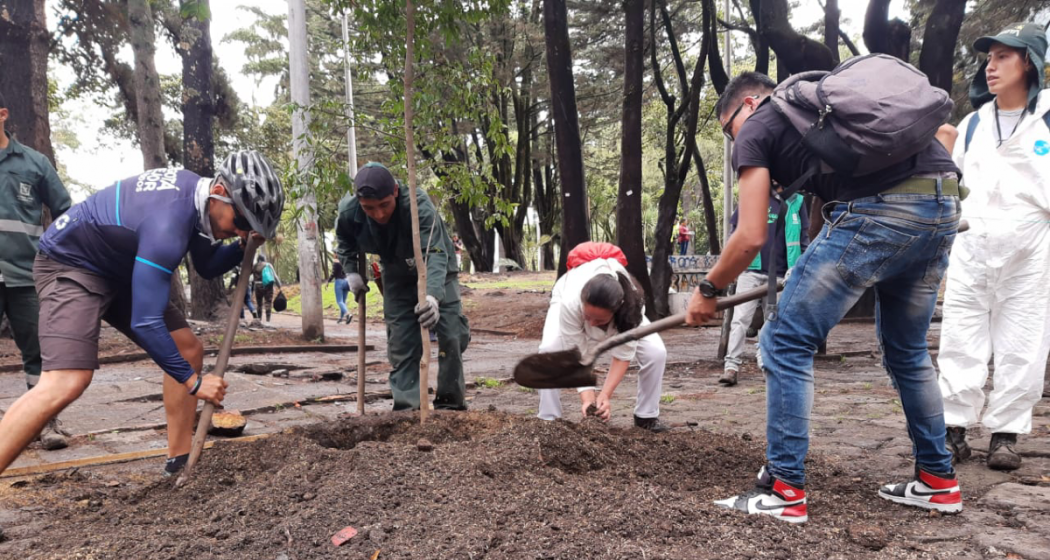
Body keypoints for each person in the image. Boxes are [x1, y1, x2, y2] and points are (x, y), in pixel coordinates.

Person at [687, 72, 962, 524]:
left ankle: (783, 489)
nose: (734, 140)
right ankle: (937, 481)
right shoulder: (825, 117)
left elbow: (750, 235)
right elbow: (945, 134)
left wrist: (708, 289)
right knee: (909, 351)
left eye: (727, 128)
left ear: (749, 105)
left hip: (879, 212)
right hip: (942, 204)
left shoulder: (758, 124)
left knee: (784, 340)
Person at [0, 150, 284, 478]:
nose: (240, 231)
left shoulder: (197, 201)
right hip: (71, 263)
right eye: (242, 222)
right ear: (220, 194)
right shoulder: (168, 223)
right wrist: (195, 383)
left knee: (186, 348)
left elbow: (206, 267)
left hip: (119, 268)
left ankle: (180, 464)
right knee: (66, 380)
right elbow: (146, 323)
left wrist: (241, 245)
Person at [938, 23, 1050, 472]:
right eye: (989, 57)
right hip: (971, 245)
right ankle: (953, 428)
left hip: (1031, 249)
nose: (991, 66)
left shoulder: (1047, 119)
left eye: (1004, 56)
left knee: (1022, 341)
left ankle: (1006, 434)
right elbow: (952, 183)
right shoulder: (972, 124)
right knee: (961, 337)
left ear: (1030, 63)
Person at [335, 162, 470, 411]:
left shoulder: (419, 207)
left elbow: (437, 252)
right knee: (401, 342)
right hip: (396, 274)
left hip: (439, 273)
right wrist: (352, 271)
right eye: (369, 208)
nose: (378, 214)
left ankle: (450, 405)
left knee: (451, 336)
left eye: (384, 205)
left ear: (395, 191)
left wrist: (432, 297)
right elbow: (344, 240)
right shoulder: (348, 211)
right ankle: (408, 409)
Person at [0, 91, 73, 450]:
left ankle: (45, 423)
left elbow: (66, 213)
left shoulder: (33, 163)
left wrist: (54, 259)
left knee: (39, 353)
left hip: (25, 275)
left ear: (3, 114)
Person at [536, 242, 668, 432]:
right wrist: (589, 399)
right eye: (587, 317)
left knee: (656, 352)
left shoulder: (631, 310)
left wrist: (605, 395)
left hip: (621, 311)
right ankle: (549, 419)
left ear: (616, 311)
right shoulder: (571, 302)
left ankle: (646, 416)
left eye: (598, 319)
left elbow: (622, 356)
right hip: (567, 297)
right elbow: (577, 354)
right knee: (548, 350)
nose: (590, 324)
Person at [720, 193, 809, 387]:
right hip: (751, 270)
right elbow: (735, 233)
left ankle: (766, 365)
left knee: (772, 324)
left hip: (780, 276)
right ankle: (731, 367)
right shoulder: (753, 195)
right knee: (740, 320)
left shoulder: (797, 201)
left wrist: (799, 268)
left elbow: (803, 238)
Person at [252, 253, 281, 323]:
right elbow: (274, 275)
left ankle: (259, 320)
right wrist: (279, 285)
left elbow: (251, 276)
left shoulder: (255, 266)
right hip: (268, 286)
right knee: (268, 302)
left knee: (259, 304)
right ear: (264, 259)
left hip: (257, 286)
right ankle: (268, 321)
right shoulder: (268, 265)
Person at [328, 259, 352, 324]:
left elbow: (333, 273)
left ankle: (348, 314)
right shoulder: (343, 261)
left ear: (336, 254)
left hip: (339, 282)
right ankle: (340, 318)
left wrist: (328, 281)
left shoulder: (335, 261)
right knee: (343, 302)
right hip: (346, 281)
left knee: (339, 301)